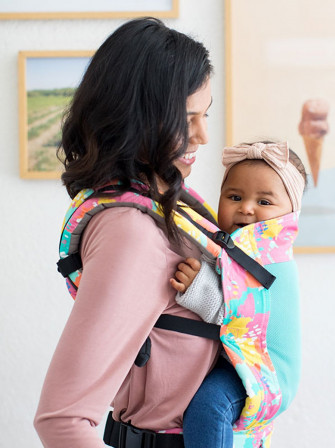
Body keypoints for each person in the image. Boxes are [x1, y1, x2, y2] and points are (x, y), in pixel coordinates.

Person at [34, 17, 221, 448]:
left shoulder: (164, 204)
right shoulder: (131, 231)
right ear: (136, 116)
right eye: (186, 118)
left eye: (205, 114)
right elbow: (62, 421)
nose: (204, 135)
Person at [170, 141, 307, 448]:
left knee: (210, 408)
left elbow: (246, 314)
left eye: (265, 202)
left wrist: (200, 288)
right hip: (235, 358)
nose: (246, 207)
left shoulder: (273, 260)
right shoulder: (235, 247)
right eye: (234, 197)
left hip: (265, 369)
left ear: (290, 213)